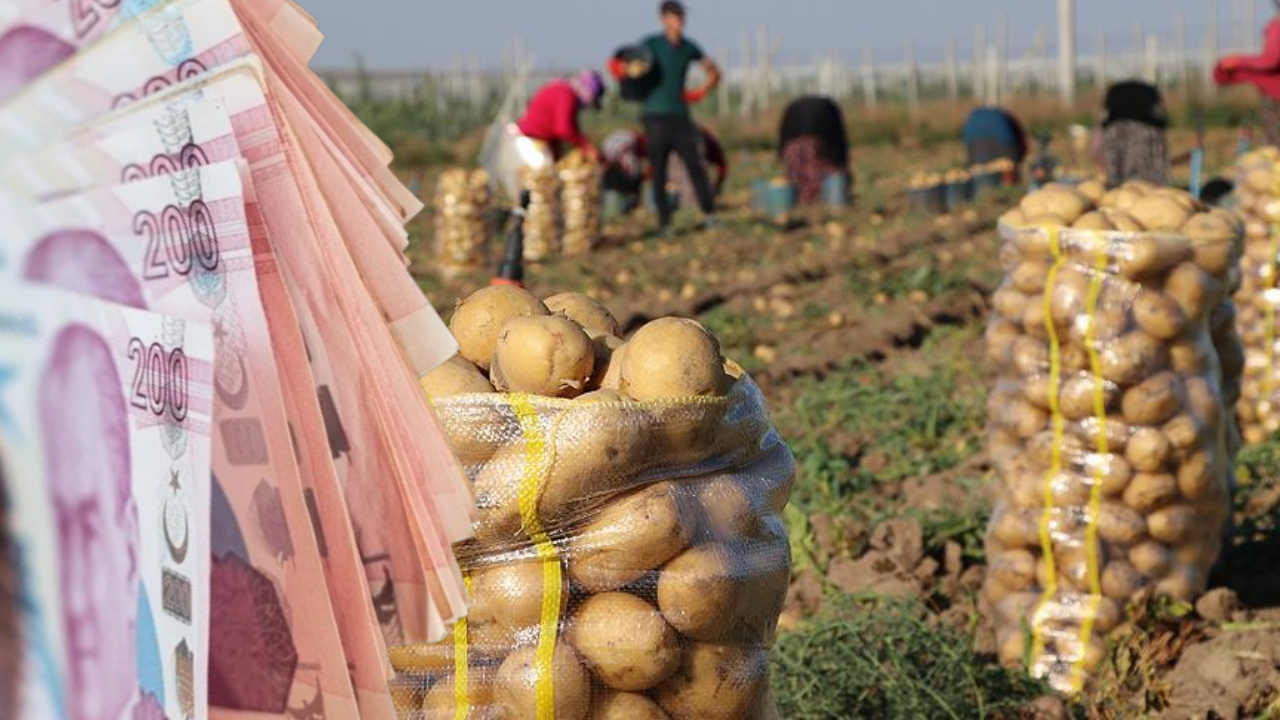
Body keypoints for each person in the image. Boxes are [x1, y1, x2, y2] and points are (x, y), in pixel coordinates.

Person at [613, 0, 721, 232]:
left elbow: (713, 71)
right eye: (673, 17)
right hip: (654, 116)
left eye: (681, 17)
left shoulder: (689, 47)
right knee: (658, 169)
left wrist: (699, 92)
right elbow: (627, 65)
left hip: (679, 115)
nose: (678, 22)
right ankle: (665, 222)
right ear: (663, 19)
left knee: (695, 165)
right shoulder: (650, 45)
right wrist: (623, 72)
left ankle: (710, 214)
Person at [490, 69, 605, 202]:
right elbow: (564, 129)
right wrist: (587, 147)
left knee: (540, 188)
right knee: (540, 188)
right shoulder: (566, 94)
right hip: (530, 141)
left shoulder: (562, 90)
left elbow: (561, 131)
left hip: (531, 141)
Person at [1215, 3, 1280, 146]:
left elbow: (1270, 61)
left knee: (1275, 147)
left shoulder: (1277, 27)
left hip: (1276, 98)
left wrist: (1239, 62)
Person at [778, 95, 851, 205]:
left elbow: (783, 131)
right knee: (816, 170)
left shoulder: (796, 105)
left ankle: (797, 198)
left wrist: (780, 151)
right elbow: (838, 137)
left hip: (791, 140)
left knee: (796, 171)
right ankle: (813, 199)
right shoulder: (830, 107)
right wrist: (841, 161)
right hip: (815, 137)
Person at [1097, 80, 1169, 187]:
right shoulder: (1153, 131)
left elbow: (1101, 156)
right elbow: (1161, 164)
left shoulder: (1112, 130)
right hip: (1153, 192)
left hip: (1119, 194)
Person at [962, 106, 1029, 170]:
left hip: (975, 149)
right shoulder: (1006, 117)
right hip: (1004, 147)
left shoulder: (975, 117)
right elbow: (1021, 138)